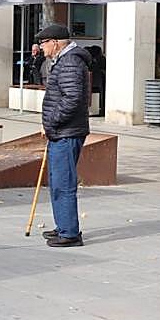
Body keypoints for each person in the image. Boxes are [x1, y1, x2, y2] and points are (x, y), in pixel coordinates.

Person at [36, 23, 92, 247]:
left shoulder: (70, 62)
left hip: (66, 132)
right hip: (61, 131)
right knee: (57, 181)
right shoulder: (64, 61)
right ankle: (63, 225)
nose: (41, 47)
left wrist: (50, 121)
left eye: (43, 43)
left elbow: (72, 99)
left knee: (63, 182)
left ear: (55, 42)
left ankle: (70, 232)